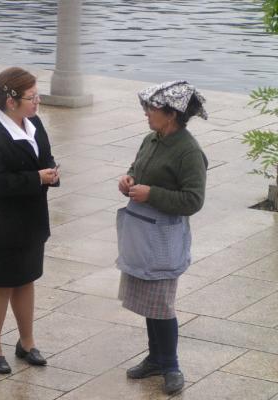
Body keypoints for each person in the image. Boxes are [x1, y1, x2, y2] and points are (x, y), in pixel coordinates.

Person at [116, 80, 208, 394]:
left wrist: (151, 193)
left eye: (151, 108)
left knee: (162, 303)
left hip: (165, 237)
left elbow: (193, 200)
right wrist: (128, 180)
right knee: (148, 301)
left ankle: (171, 366)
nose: (146, 113)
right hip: (142, 231)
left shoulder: (189, 151)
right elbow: (137, 168)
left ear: (171, 114)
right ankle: (155, 358)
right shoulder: (150, 139)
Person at [0, 67, 59, 374]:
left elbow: (45, 156)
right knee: (0, 285)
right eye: (31, 97)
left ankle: (27, 342)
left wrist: (50, 171)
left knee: (26, 279)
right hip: (0, 223)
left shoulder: (33, 123)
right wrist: (36, 178)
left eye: (37, 96)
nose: (37, 102)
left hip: (31, 219)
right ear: (11, 101)